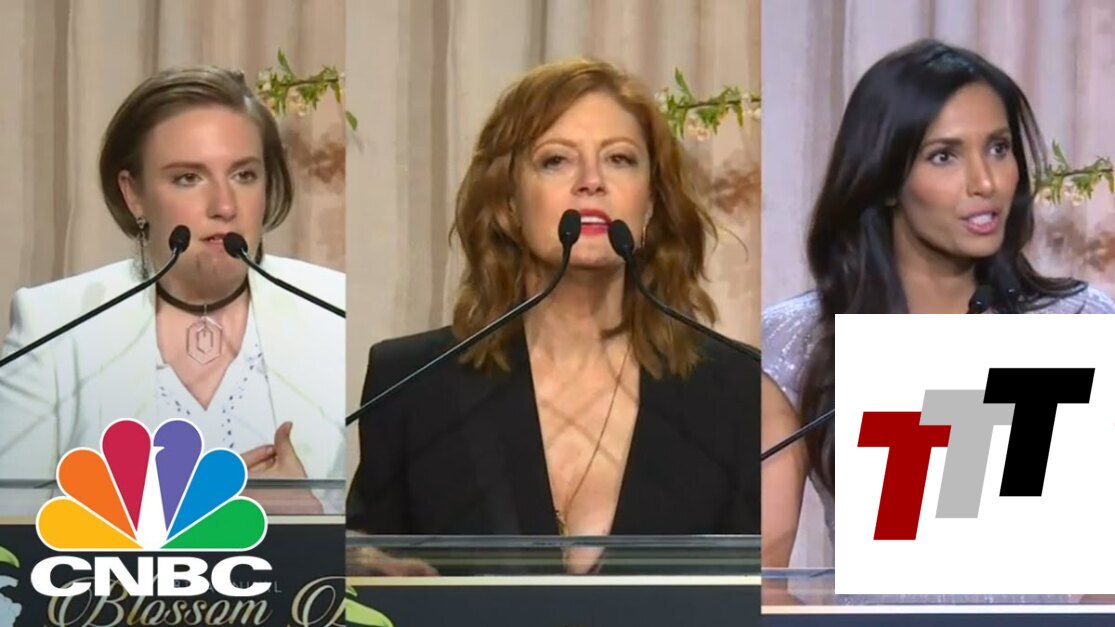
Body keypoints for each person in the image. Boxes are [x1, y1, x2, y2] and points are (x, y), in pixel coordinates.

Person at [347, 58, 760, 574]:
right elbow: (361, 563)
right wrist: (352, 562)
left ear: (652, 203)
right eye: (556, 160)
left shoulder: (738, 391)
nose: (591, 182)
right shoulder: (411, 384)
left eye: (619, 159)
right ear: (509, 202)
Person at [761, 39, 1115, 600]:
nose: (986, 182)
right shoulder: (801, 342)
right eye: (944, 156)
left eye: (998, 148)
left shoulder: (1077, 326)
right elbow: (761, 583)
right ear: (885, 179)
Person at [0, 67, 345, 513]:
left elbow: (379, 525)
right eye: (188, 178)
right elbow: (9, 535)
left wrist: (315, 525)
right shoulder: (54, 324)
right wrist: (191, 517)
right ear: (134, 195)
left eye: (244, 175)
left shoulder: (333, 309)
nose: (224, 206)